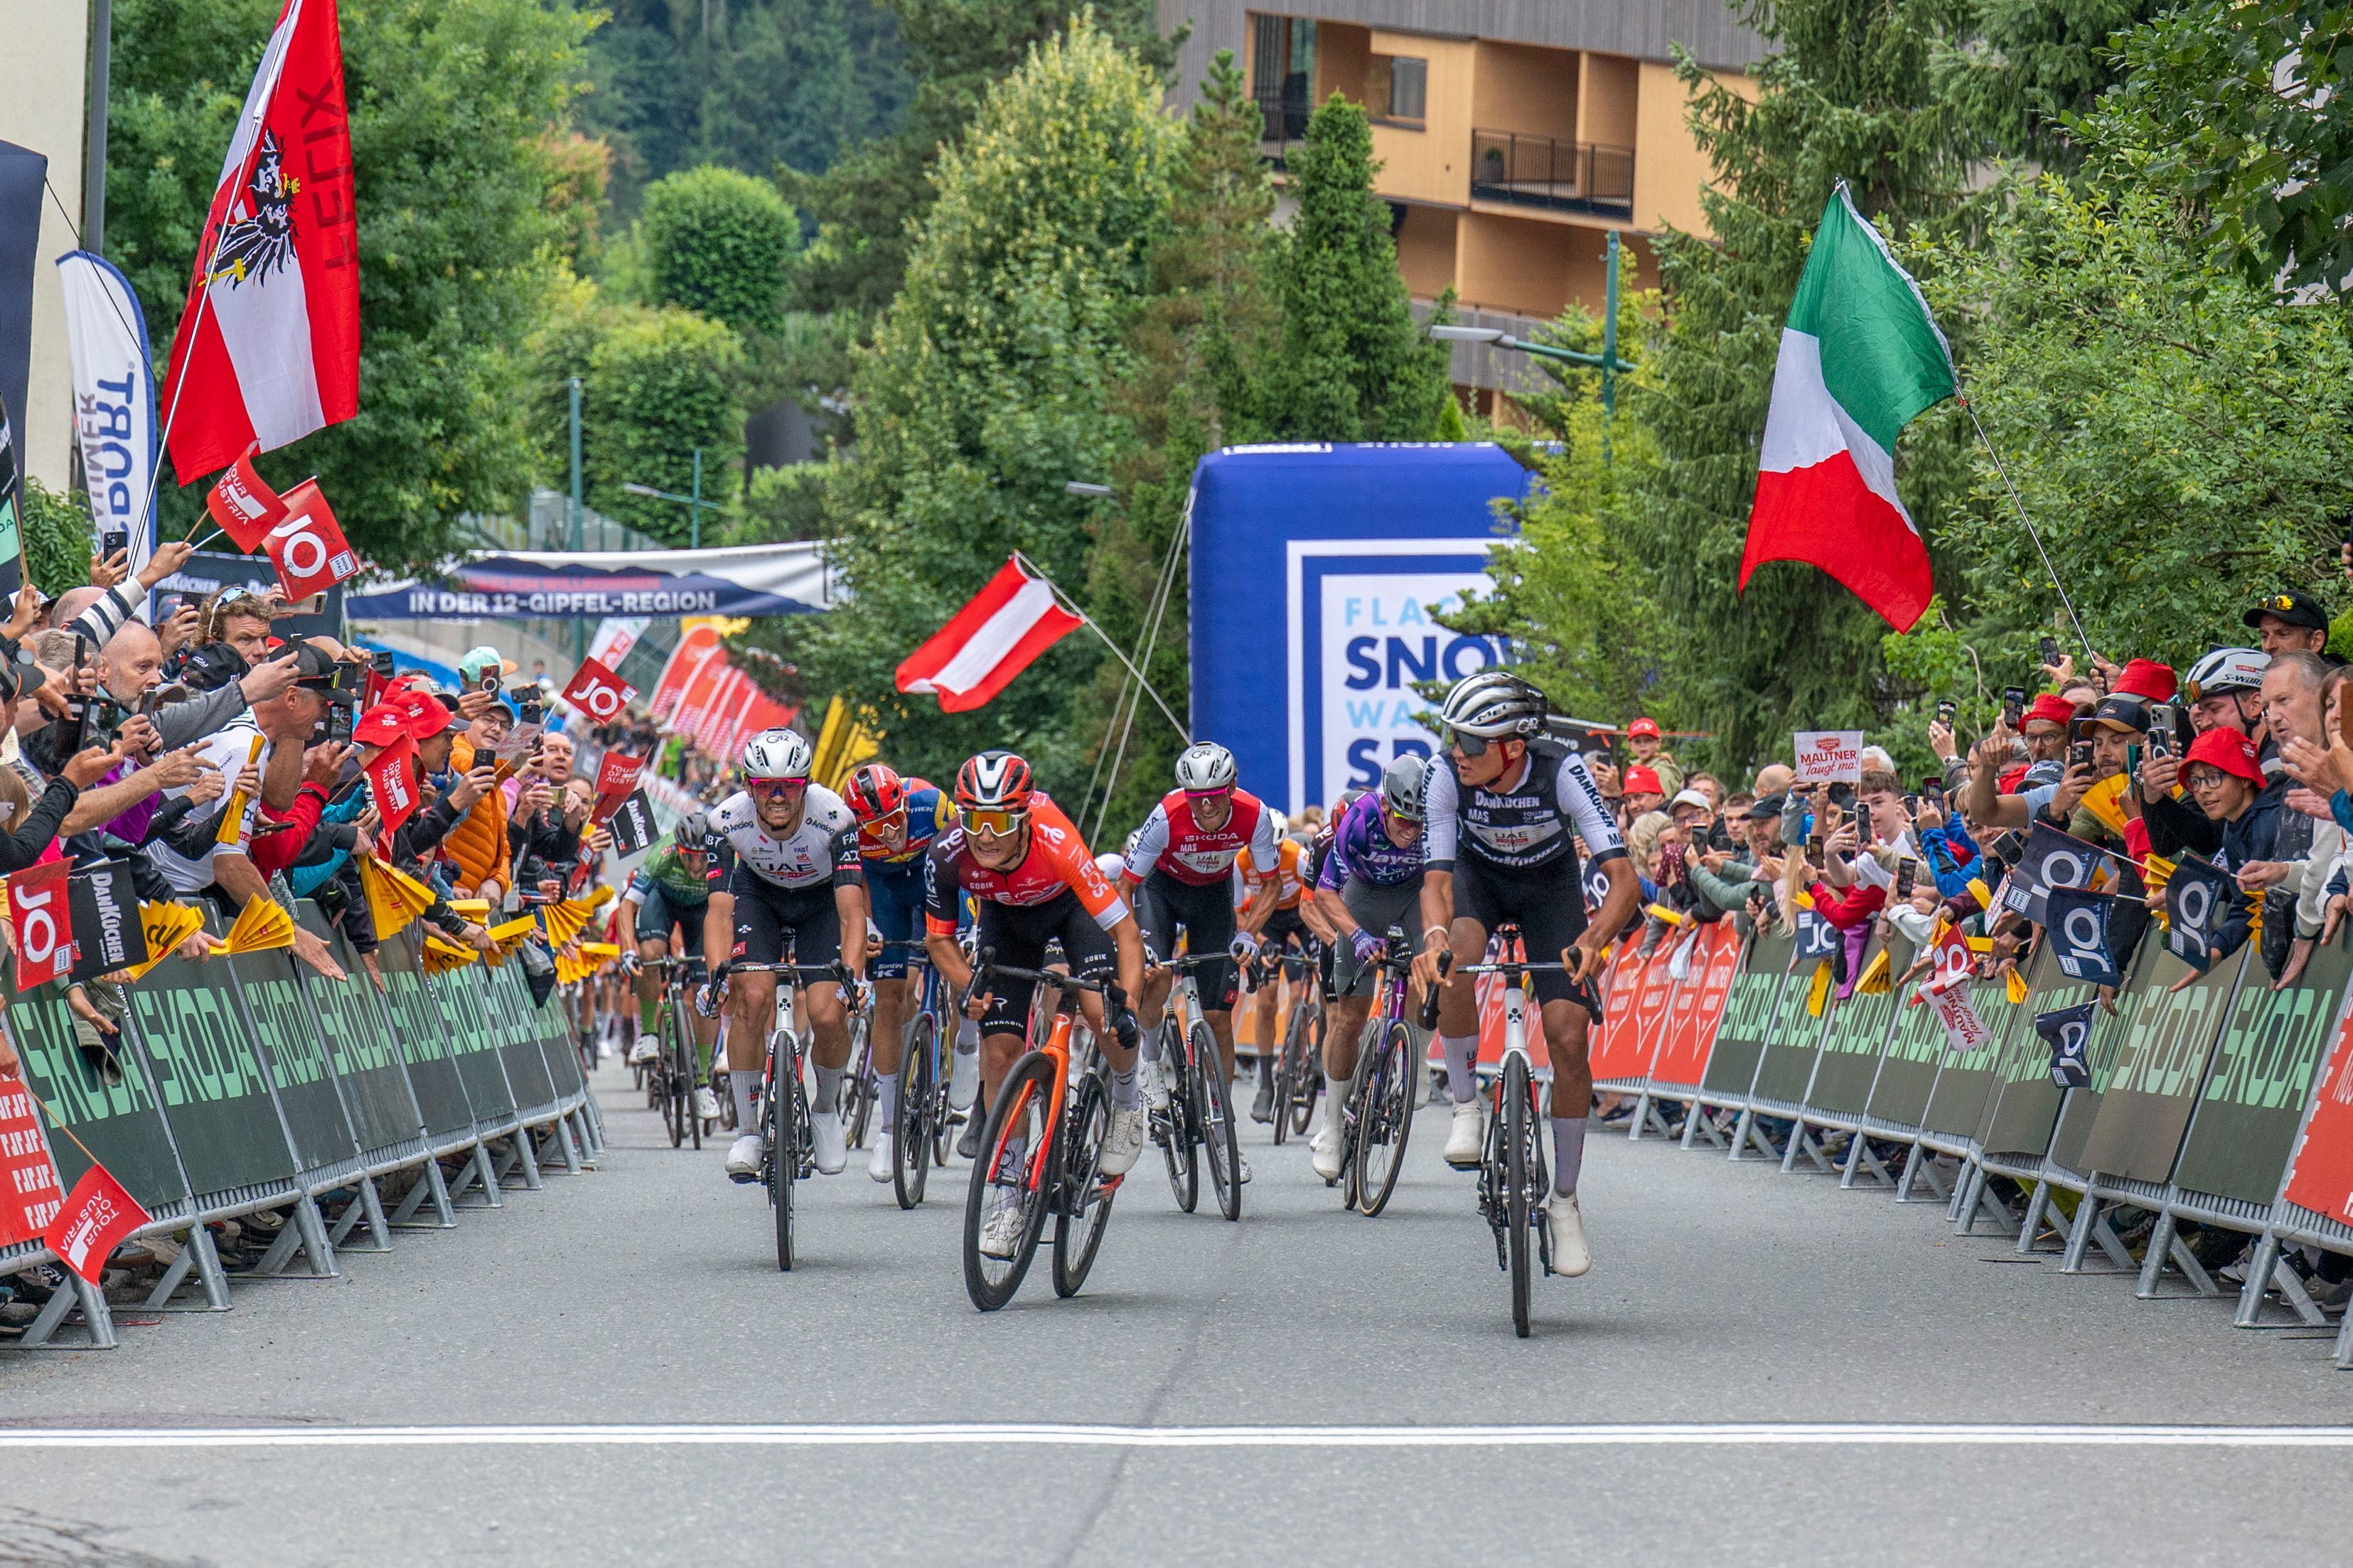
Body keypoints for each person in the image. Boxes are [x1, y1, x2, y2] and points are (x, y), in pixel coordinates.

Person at [1412, 670, 1639, 1279]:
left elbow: (1625, 880)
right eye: (1454, 737)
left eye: (1473, 743)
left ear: (1513, 746)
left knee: (1568, 1037)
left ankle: (1564, 1200)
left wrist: (1592, 941)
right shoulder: (1443, 774)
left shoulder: (1562, 771)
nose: (1459, 752)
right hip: (1477, 882)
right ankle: (1466, 1105)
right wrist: (1433, 939)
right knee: (1455, 957)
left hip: (1549, 889)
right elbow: (1435, 881)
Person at [921, 751, 1146, 1258]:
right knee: (1000, 1051)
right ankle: (1006, 1195)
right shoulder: (947, 854)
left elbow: (1126, 932)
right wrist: (966, 987)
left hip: (1070, 914)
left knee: (1099, 1011)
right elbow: (940, 942)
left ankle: (1130, 1100)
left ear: (1022, 817)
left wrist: (1126, 1006)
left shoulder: (1057, 841)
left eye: (999, 821)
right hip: (1007, 923)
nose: (985, 835)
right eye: (974, 819)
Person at [698, 729, 867, 1183]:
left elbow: (852, 913)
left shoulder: (834, 817)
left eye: (788, 786)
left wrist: (854, 976)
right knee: (751, 995)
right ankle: (750, 1130)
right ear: (748, 786)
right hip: (760, 898)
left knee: (830, 1015)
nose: (776, 796)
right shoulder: (724, 821)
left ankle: (827, 1110)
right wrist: (717, 976)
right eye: (765, 786)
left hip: (820, 904)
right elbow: (718, 911)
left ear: (805, 785)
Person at [1119, 741, 1280, 1179]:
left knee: (1218, 1017)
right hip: (1161, 893)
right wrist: (1136, 942)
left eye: (1214, 795)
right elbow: (1127, 887)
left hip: (1213, 898)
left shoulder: (1255, 815)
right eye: (1196, 797)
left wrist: (1247, 932)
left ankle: (1224, 1131)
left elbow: (1271, 885)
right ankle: (1149, 1063)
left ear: (1232, 788)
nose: (1206, 806)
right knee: (1154, 975)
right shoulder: (1167, 816)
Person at [1305, 756, 1429, 1182]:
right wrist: (1356, 935)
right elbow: (1324, 893)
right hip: (1364, 896)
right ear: (1386, 804)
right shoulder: (1359, 821)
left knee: (1433, 964)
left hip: (1415, 893)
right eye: (1402, 820)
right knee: (1348, 1019)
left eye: (1418, 823)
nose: (1409, 831)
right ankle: (1333, 1125)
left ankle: (1419, 1054)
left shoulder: (1434, 824)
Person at [840, 762, 958, 1183]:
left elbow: (969, 863)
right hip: (887, 894)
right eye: (876, 828)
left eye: (894, 821)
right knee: (889, 1000)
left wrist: (967, 928)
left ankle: (962, 1055)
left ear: (905, 804)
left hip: (937, 886)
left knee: (964, 972)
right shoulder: (847, 829)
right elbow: (854, 888)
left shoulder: (933, 804)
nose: (889, 833)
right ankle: (889, 1127)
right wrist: (867, 928)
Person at [616, 810, 723, 1126]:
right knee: (651, 953)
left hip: (703, 913)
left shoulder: (724, 857)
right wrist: (627, 951)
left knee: (709, 995)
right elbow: (627, 906)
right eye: (689, 857)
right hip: (662, 903)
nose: (696, 866)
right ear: (678, 850)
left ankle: (703, 1082)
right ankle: (649, 1032)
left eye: (702, 859)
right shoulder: (660, 856)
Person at [1236, 807, 1313, 1124]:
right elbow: (1239, 914)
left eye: (1277, 850)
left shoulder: (1298, 856)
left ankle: (1315, 1053)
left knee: (1302, 989)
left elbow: (1320, 897)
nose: (1272, 855)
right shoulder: (1241, 861)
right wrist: (1255, 936)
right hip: (1269, 920)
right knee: (1266, 1000)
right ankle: (1266, 1084)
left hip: (1303, 915)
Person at [2245, 592, 2330, 659]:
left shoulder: (2338, 680)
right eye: (2264, 636)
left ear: (2315, 641)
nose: (2269, 646)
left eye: (2282, 634)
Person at [1624, 718, 1682, 797]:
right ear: (1630, 746)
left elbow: (1666, 804)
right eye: (1637, 741)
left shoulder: (1661, 771)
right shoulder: (1633, 770)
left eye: (1648, 740)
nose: (1642, 745)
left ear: (1658, 743)